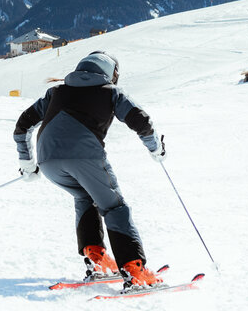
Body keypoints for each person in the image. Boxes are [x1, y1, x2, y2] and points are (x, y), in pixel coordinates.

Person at [13, 50, 167, 290]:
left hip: (48, 161)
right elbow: (141, 121)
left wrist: (28, 164)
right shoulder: (111, 92)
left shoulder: (56, 92)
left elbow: (22, 126)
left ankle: (98, 260)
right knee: (114, 207)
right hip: (85, 158)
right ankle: (135, 272)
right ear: (111, 74)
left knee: (85, 196)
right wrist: (156, 149)